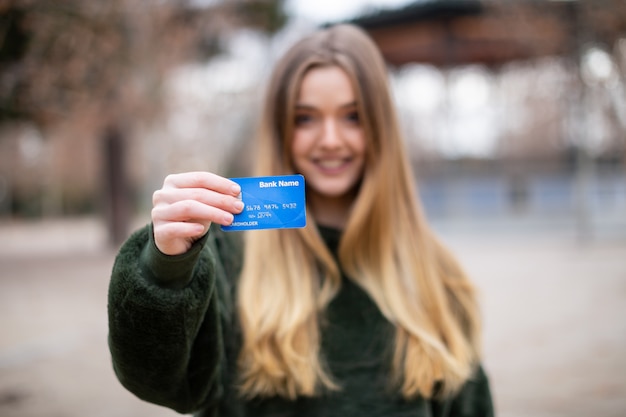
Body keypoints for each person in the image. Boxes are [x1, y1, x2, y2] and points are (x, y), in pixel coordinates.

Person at [107, 24, 494, 417]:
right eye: (306, 119)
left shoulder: (437, 273)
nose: (329, 139)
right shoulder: (224, 256)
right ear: (280, 130)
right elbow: (161, 383)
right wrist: (164, 266)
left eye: (353, 117)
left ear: (381, 127)